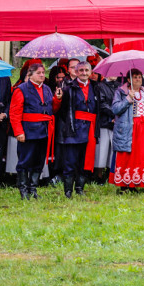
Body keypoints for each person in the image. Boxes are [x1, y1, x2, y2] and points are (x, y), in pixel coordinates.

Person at [54, 60, 100, 198]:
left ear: (90, 72)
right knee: (70, 161)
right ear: (76, 72)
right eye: (81, 70)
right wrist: (58, 98)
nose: (84, 73)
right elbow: (59, 110)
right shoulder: (67, 87)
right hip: (73, 130)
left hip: (90, 129)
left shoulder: (96, 87)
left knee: (84, 162)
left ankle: (80, 189)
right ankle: (68, 191)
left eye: (86, 70)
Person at [9, 63, 55, 199]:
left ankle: (33, 189)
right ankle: (23, 190)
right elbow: (14, 113)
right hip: (28, 131)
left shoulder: (47, 89)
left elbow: (51, 109)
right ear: (30, 74)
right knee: (25, 161)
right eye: (38, 73)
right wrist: (18, 132)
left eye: (43, 72)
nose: (42, 75)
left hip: (44, 131)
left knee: (38, 161)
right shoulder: (21, 89)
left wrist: (57, 100)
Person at [110, 69, 144, 191]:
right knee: (128, 155)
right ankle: (124, 184)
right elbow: (115, 109)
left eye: (140, 77)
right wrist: (127, 99)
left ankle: (136, 182)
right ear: (128, 79)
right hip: (129, 127)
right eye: (135, 77)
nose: (138, 79)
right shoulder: (121, 92)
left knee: (140, 155)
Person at [92, 73, 117, 183]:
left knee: (112, 150)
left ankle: (109, 173)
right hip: (104, 121)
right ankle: (99, 175)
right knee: (102, 150)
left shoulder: (119, 86)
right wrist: (114, 114)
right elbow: (102, 104)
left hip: (115, 122)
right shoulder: (100, 86)